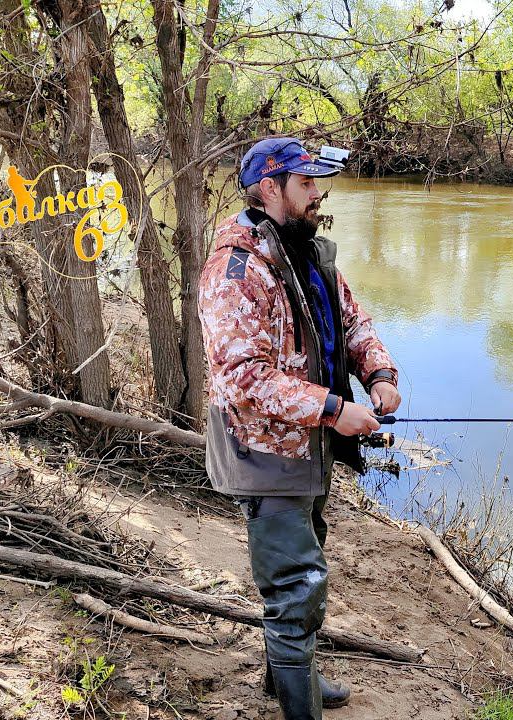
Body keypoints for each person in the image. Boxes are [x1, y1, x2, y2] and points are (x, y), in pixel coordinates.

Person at [197, 137, 401, 719]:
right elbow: (243, 378)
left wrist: (379, 373)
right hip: (264, 452)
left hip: (309, 445)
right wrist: (335, 409)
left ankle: (288, 676)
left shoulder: (307, 251)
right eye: (306, 183)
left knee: (304, 566)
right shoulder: (235, 270)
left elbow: (353, 321)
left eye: (317, 182)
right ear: (270, 188)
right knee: (297, 585)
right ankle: (298, 701)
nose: (318, 193)